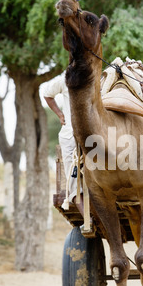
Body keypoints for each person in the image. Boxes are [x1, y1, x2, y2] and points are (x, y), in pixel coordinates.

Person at [41, 72, 84, 217]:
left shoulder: (96, 78)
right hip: (70, 135)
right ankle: (87, 218)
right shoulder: (66, 79)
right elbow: (47, 94)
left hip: (92, 135)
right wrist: (60, 115)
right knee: (73, 177)